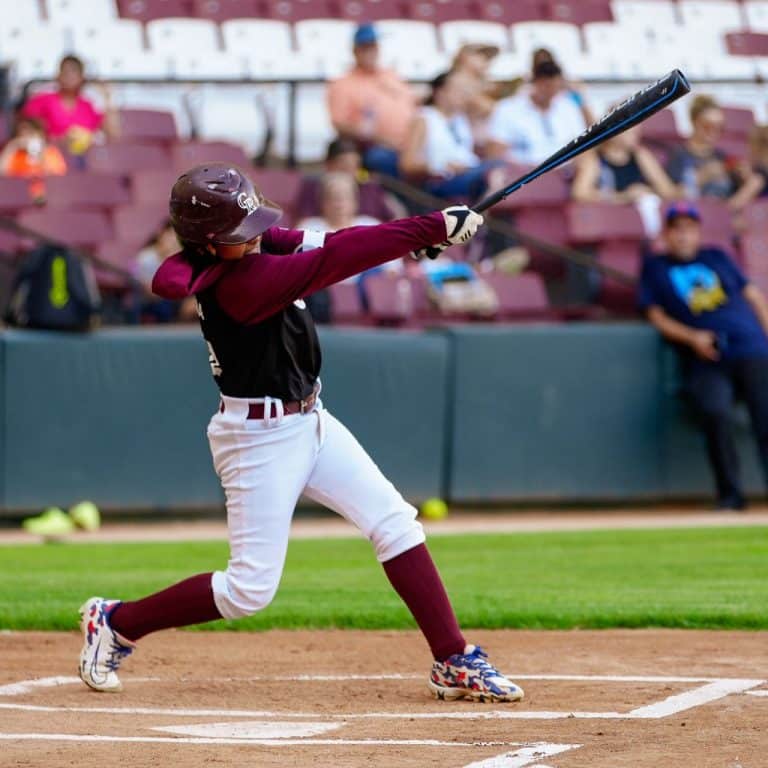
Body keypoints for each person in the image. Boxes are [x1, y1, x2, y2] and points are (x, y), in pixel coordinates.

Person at [76, 162, 524, 705]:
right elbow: (335, 260)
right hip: (257, 439)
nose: (258, 236)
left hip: (311, 418)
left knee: (394, 521)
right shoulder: (243, 286)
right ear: (210, 243)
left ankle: (452, 659)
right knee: (248, 590)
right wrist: (431, 228)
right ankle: (117, 620)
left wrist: (417, 239)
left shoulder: (249, 250)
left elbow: (333, 240)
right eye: (241, 234)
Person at [639, 202, 768, 510]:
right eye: (676, 230)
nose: (683, 236)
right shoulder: (655, 267)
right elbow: (655, 315)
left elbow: (754, 296)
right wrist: (692, 337)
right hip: (705, 356)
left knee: (766, 418)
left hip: (750, 346)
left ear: (698, 232)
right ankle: (730, 495)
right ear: (666, 234)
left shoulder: (717, 256)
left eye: (689, 229)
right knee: (714, 411)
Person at [327, 23, 417, 176]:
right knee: (382, 158)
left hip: (412, 143)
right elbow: (340, 124)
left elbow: (413, 105)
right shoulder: (343, 83)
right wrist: (382, 139)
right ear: (355, 50)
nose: (370, 51)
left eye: (373, 46)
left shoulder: (392, 76)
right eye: (365, 47)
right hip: (375, 146)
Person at [400, 70, 496, 200]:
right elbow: (407, 164)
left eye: (465, 90)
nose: (464, 95)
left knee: (501, 168)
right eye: (458, 90)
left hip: (470, 172)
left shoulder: (461, 118)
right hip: (445, 180)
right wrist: (441, 166)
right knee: (494, 170)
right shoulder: (424, 118)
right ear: (440, 92)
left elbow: (488, 108)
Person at [571, 124, 678, 236]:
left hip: (638, 223)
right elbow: (579, 193)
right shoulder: (595, 158)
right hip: (607, 222)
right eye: (630, 131)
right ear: (614, 132)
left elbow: (668, 191)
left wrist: (645, 191)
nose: (636, 134)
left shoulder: (640, 155)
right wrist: (623, 197)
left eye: (637, 130)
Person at [666, 95, 763, 211]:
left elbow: (747, 190)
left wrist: (747, 178)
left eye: (719, 127)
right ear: (694, 122)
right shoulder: (679, 156)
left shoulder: (723, 157)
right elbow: (670, 196)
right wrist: (702, 177)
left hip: (723, 218)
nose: (714, 132)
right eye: (707, 126)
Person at [486, 59, 587, 165]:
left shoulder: (568, 107)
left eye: (555, 87)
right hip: (525, 172)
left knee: (588, 161)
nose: (550, 92)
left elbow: (582, 146)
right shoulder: (508, 109)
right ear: (535, 83)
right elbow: (495, 152)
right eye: (547, 86)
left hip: (565, 172)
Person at [21, 54, 119, 155]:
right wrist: (56, 139)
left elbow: (112, 135)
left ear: (81, 78)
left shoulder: (88, 106)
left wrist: (108, 98)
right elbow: (25, 129)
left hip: (82, 160)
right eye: (66, 72)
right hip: (49, 159)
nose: (69, 77)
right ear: (58, 75)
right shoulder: (42, 100)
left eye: (74, 72)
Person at [295, 137, 401, 222]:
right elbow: (304, 224)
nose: (350, 171)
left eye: (355, 166)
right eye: (344, 166)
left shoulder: (370, 188)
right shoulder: (313, 187)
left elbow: (394, 218)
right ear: (328, 165)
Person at [0, 115, 67, 202]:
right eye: (21, 134)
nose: (25, 137)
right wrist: (12, 147)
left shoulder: (50, 152)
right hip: (15, 198)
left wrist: (40, 151)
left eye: (30, 133)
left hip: (46, 198)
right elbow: (2, 173)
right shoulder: (14, 153)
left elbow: (57, 177)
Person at [450, 43, 501, 151]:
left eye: (488, 58)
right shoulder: (457, 80)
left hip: (482, 145)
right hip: (468, 148)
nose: (487, 61)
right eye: (481, 55)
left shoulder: (481, 83)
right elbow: (490, 109)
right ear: (465, 57)